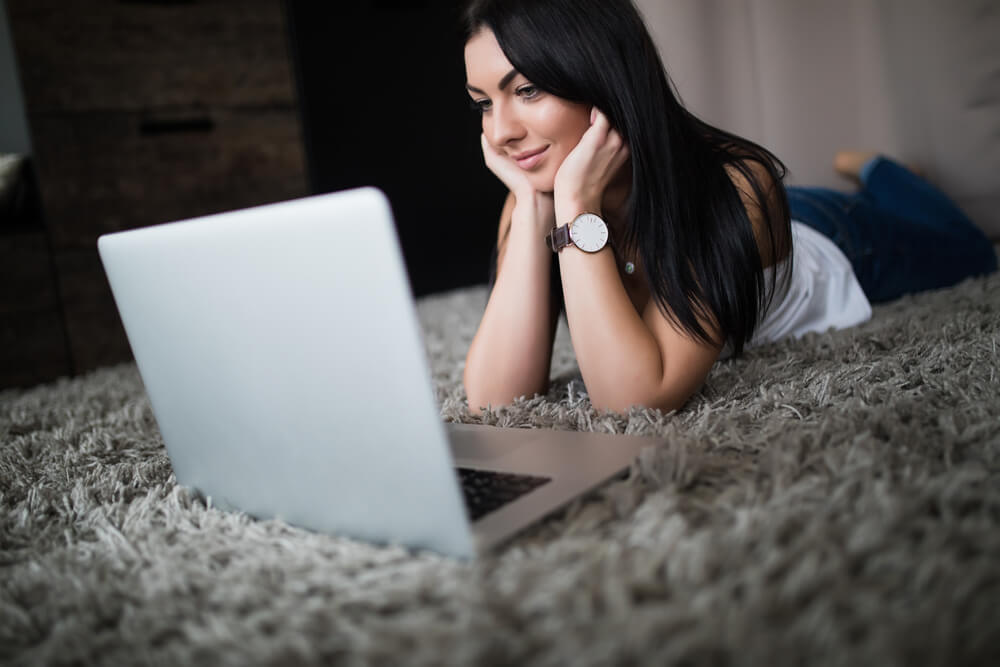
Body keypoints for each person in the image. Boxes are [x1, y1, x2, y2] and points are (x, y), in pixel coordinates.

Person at [460, 0, 997, 415]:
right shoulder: (536, 200)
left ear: (601, 79)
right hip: (727, 215)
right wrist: (534, 205)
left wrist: (576, 204)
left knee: (972, 251)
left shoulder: (741, 185)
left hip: (835, 239)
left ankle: (885, 173)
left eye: (527, 90)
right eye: (484, 103)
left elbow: (637, 398)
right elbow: (494, 399)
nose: (501, 132)